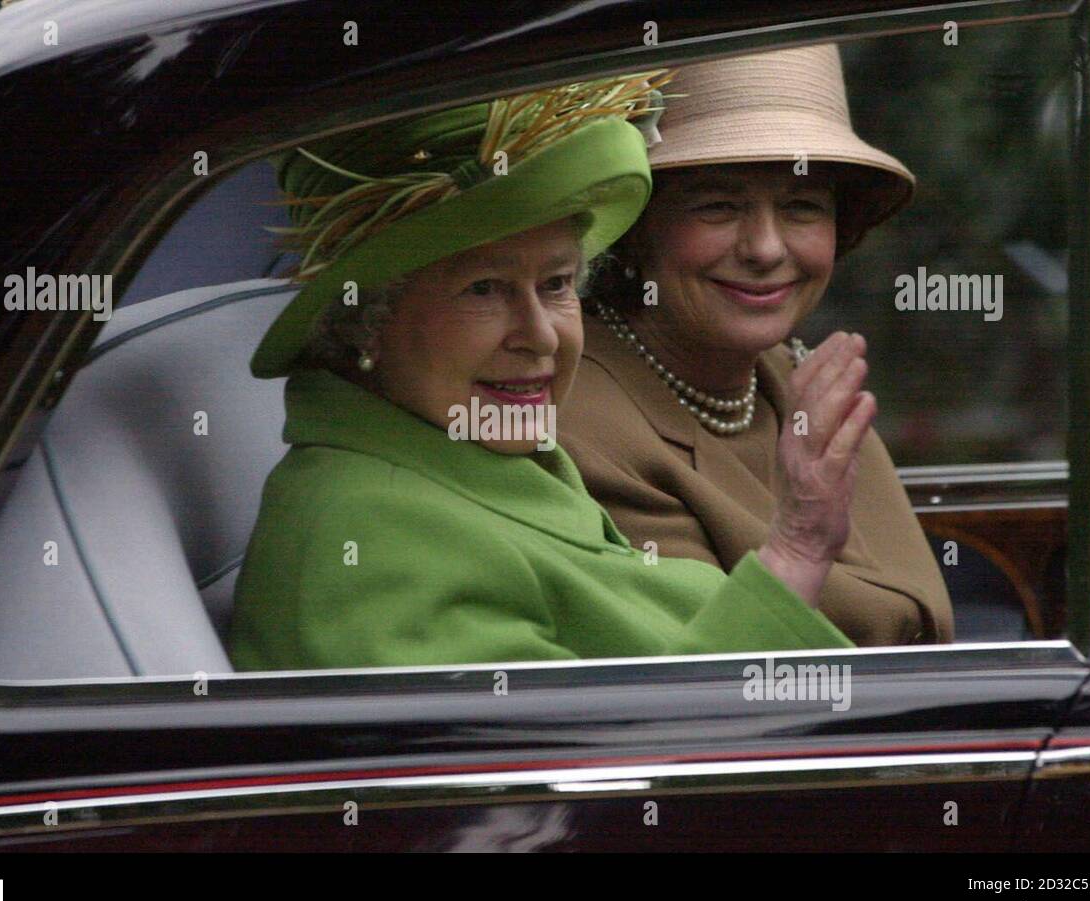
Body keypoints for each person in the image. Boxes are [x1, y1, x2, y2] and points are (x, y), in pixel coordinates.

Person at [228, 73, 875, 671]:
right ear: (365, 319)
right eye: (484, 288)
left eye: (558, 283)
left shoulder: (479, 457)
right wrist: (794, 554)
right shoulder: (372, 545)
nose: (541, 336)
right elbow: (607, 783)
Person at [562, 46, 955, 646]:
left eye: (801, 207)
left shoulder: (798, 378)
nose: (766, 249)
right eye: (718, 207)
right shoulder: (574, 412)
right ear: (636, 225)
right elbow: (699, 683)